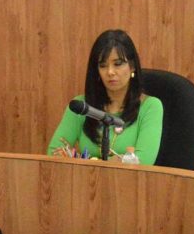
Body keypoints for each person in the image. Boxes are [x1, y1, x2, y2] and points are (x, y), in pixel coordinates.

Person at [47, 29, 163, 164]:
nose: (110, 72)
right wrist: (115, 161)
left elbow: (143, 161)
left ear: (132, 66)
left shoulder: (150, 107)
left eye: (117, 64)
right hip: (83, 178)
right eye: (103, 65)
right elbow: (53, 153)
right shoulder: (81, 107)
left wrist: (86, 162)